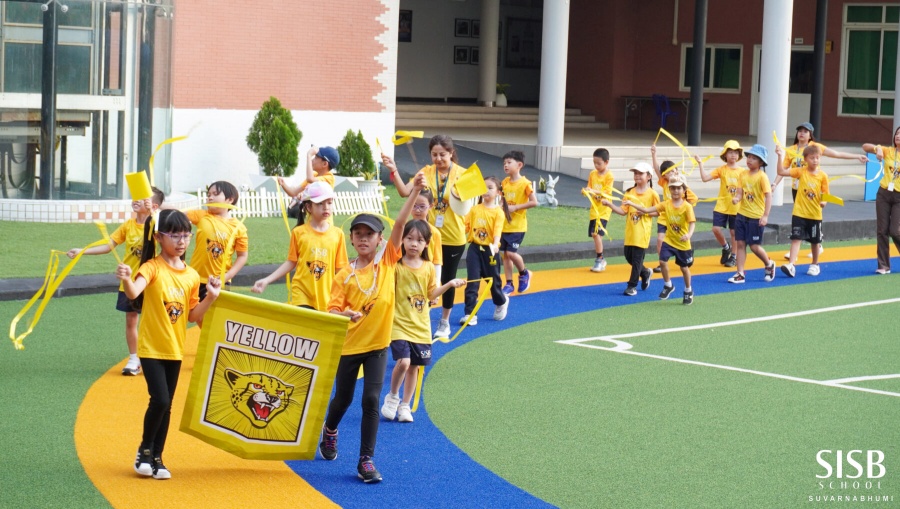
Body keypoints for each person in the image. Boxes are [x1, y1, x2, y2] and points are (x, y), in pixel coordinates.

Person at [320, 172, 425, 484]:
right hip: (349, 347)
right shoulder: (343, 275)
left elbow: (400, 225)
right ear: (351, 239)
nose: (364, 238)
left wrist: (414, 191)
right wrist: (346, 314)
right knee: (343, 399)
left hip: (378, 346)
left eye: (370, 234)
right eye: (358, 233)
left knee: (370, 400)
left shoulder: (388, 262)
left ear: (381, 240)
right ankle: (330, 430)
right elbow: (332, 311)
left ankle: (365, 460)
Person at [116, 209, 220, 480]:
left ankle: (158, 458)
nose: (182, 241)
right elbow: (134, 292)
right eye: (175, 235)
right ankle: (144, 451)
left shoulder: (191, 276)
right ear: (160, 237)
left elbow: (192, 316)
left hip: (175, 350)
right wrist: (127, 278)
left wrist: (211, 297)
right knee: (160, 399)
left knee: (168, 405)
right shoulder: (150, 267)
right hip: (150, 349)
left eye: (186, 235)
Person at [67, 186, 165, 376]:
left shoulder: (156, 224)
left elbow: (165, 233)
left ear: (153, 205)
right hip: (128, 281)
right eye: (135, 196)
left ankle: (154, 356)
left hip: (151, 281)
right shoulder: (128, 225)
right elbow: (108, 246)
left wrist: (154, 213)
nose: (136, 200)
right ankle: (134, 358)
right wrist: (82, 251)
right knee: (131, 320)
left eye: (142, 198)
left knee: (153, 321)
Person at [381, 135, 467, 340]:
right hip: (423, 235)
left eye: (442, 155)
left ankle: (444, 321)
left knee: (445, 279)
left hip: (453, 236)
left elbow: (474, 201)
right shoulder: (425, 172)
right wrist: (393, 169)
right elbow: (404, 192)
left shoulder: (463, 174)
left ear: (451, 153)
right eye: (434, 154)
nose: (438, 159)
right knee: (417, 275)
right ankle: (415, 317)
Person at [381, 219, 466, 423]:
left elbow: (431, 293)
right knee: (404, 362)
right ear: (402, 240)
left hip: (421, 327)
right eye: (409, 239)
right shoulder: (397, 266)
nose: (414, 244)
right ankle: (393, 396)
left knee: (415, 367)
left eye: (419, 240)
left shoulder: (428, 267)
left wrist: (450, 284)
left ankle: (405, 405)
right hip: (399, 324)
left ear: (427, 244)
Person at [773, 122, 867, 258]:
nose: (802, 133)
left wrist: (856, 156)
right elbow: (783, 170)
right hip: (798, 190)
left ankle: (816, 244)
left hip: (813, 189)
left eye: (805, 131)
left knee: (813, 219)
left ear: (810, 134)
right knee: (799, 219)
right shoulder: (791, 150)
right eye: (800, 130)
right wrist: (774, 184)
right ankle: (798, 246)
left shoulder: (815, 147)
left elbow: (837, 154)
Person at [251, 181, 348, 309]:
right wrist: (267, 280)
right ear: (308, 207)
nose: (326, 207)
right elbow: (291, 262)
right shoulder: (299, 233)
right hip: (301, 293)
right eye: (320, 203)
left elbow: (340, 269)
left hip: (326, 295)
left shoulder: (338, 234)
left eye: (329, 203)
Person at [623, 173, 696, 304]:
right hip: (669, 240)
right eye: (672, 188)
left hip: (682, 243)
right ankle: (668, 285)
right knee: (662, 261)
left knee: (684, 268)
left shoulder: (687, 207)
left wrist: (689, 235)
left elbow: (692, 223)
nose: (675, 191)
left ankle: (688, 290)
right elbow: (646, 210)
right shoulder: (666, 204)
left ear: (684, 190)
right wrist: (631, 203)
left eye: (678, 188)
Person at [186, 181, 248, 308]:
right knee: (194, 315)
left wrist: (226, 277)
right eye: (208, 194)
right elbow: (176, 213)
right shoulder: (202, 216)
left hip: (218, 282)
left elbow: (242, 256)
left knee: (214, 318)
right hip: (195, 279)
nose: (210, 197)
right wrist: (157, 204)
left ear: (230, 199)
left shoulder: (239, 228)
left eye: (215, 194)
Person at [601, 163, 659, 296]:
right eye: (635, 173)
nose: (637, 176)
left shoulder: (652, 194)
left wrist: (644, 212)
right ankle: (645, 272)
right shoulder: (629, 192)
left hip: (642, 232)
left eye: (640, 173)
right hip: (630, 231)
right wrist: (609, 204)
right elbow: (623, 211)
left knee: (637, 259)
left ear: (649, 176)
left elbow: (658, 211)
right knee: (629, 257)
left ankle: (631, 286)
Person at [460, 176, 511, 324]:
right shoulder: (474, 209)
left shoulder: (498, 212)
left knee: (493, 281)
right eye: (484, 187)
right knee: (473, 281)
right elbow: (465, 226)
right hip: (474, 249)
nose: (486, 190)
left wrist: (495, 245)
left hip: (490, 250)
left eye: (490, 187)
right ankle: (470, 313)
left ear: (498, 193)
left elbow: (497, 231)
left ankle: (501, 301)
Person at [776, 144, 829, 277]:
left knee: (815, 241)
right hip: (799, 213)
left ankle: (815, 264)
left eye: (817, 158)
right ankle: (792, 265)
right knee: (796, 238)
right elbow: (781, 172)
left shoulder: (823, 176)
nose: (815, 160)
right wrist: (780, 156)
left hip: (815, 215)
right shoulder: (800, 171)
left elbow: (825, 192)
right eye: (812, 158)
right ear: (805, 159)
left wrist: (823, 201)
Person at [727, 144, 776, 284]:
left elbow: (769, 196)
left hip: (756, 217)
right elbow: (740, 192)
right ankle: (740, 273)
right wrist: (736, 198)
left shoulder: (762, 177)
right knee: (740, 244)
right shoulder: (743, 174)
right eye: (748, 157)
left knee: (754, 246)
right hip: (741, 215)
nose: (749, 160)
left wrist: (765, 216)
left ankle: (769, 264)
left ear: (761, 162)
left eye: (754, 158)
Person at [650, 146, 699, 273]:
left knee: (681, 239)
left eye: (673, 170)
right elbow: (656, 169)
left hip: (678, 218)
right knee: (660, 239)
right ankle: (662, 262)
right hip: (664, 217)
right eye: (667, 172)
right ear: (664, 175)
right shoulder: (665, 183)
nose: (671, 173)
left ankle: (687, 254)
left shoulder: (681, 186)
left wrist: (684, 208)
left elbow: (694, 199)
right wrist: (654, 154)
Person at [698, 140, 745, 268]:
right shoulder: (721, 169)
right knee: (716, 229)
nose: (733, 155)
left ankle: (734, 256)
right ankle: (726, 247)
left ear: (739, 155)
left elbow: (747, 188)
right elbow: (705, 178)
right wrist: (700, 164)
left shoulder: (742, 172)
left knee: (734, 233)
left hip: (736, 207)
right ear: (725, 155)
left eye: (735, 152)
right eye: (730, 152)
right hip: (722, 205)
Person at [863, 126, 900, 275]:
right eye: (897, 133)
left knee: (895, 231)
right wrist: (877, 149)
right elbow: (865, 146)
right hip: (884, 193)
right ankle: (883, 265)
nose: (898, 136)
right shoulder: (888, 151)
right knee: (882, 230)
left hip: (899, 196)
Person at [499, 150, 537, 294]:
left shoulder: (525, 183)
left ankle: (524, 273)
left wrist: (516, 207)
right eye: (504, 163)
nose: (506, 166)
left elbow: (534, 202)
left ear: (519, 165)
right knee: (505, 255)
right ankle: (509, 283)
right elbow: (503, 200)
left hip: (518, 226)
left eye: (509, 162)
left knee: (511, 253)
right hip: (504, 226)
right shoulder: (504, 182)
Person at [584, 148, 614, 272]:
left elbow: (606, 192)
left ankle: (599, 258)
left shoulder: (609, 176)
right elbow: (589, 187)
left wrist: (593, 191)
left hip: (604, 210)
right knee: (595, 235)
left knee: (596, 234)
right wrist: (586, 191)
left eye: (599, 163)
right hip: (594, 210)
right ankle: (601, 258)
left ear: (606, 162)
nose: (596, 166)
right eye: (594, 163)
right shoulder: (592, 174)